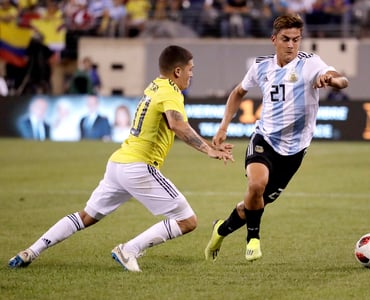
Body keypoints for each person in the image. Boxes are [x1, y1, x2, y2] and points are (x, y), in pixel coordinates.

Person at [8, 45, 234, 272]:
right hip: (138, 166)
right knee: (188, 221)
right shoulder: (170, 91)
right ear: (177, 71)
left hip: (118, 163)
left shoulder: (154, 86)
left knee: (86, 217)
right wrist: (208, 150)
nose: (192, 74)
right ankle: (129, 250)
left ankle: (31, 251)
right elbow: (177, 124)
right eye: (190, 69)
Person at [204, 14, 349, 262]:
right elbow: (238, 92)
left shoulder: (310, 63)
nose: (291, 45)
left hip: (295, 150)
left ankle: (220, 230)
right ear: (274, 40)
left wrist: (332, 80)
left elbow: (342, 80)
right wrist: (223, 127)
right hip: (265, 138)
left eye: (296, 39)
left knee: (251, 203)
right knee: (256, 185)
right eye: (285, 39)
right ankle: (253, 240)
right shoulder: (261, 66)